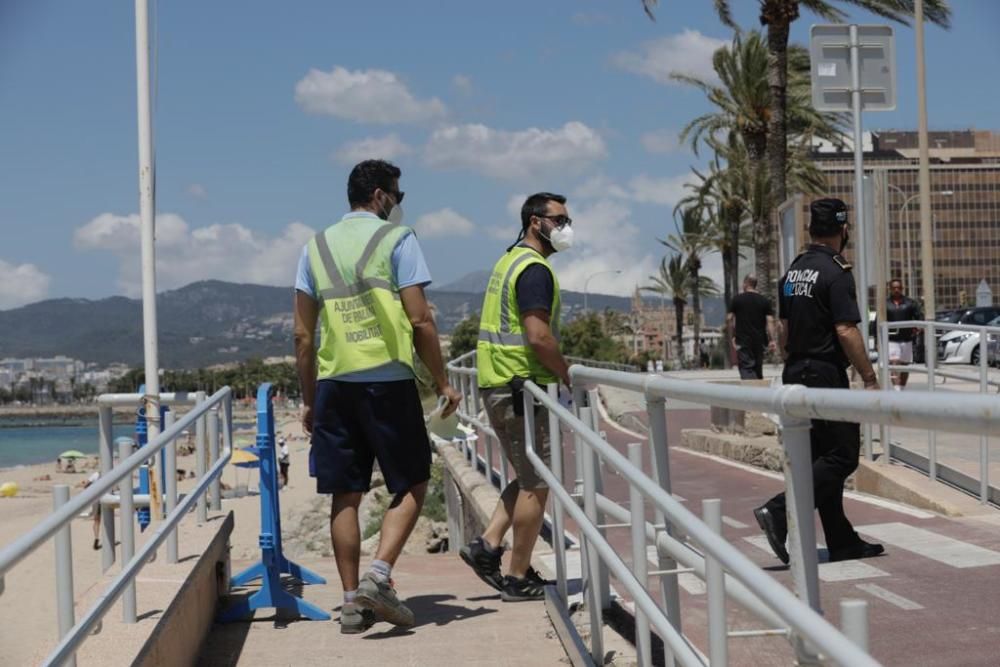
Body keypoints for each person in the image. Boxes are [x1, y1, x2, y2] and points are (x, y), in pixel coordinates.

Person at [293, 159, 461, 634]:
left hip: (333, 384)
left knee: (343, 494)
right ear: (381, 196)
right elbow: (421, 319)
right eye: (398, 197)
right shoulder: (398, 240)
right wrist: (443, 382)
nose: (399, 206)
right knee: (412, 481)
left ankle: (350, 604)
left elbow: (303, 335)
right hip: (387, 381)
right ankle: (380, 577)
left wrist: (309, 398)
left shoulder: (314, 247)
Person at [753, 198, 885, 564]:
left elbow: (784, 330)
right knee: (843, 456)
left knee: (822, 459)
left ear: (813, 230)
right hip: (825, 373)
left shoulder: (794, 271)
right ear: (843, 231)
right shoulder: (835, 272)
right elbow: (845, 328)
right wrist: (870, 378)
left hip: (798, 370)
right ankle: (778, 511)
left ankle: (841, 540)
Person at [459, 192, 573, 602]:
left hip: (500, 383)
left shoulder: (508, 260)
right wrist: (567, 374)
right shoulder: (534, 269)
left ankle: (487, 546)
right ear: (534, 222)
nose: (566, 227)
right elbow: (539, 336)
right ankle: (518, 575)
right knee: (537, 484)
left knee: (527, 476)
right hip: (522, 386)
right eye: (559, 220)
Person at [726, 274, 776, 379]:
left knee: (746, 369)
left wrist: (731, 337)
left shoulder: (737, 299)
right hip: (760, 341)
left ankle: (751, 392)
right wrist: (772, 340)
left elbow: (729, 319)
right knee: (758, 368)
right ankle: (758, 392)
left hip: (743, 340)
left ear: (745, 284)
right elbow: (770, 321)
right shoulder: (764, 301)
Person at [885, 279, 923, 390]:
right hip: (891, 339)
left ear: (902, 289)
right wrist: (877, 341)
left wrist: (918, 328)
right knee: (894, 363)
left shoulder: (910, 303)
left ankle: (902, 388)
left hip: (907, 339)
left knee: (905, 365)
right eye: (894, 288)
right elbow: (878, 322)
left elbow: (919, 317)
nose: (896, 290)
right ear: (890, 289)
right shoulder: (885, 304)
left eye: (899, 288)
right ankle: (897, 390)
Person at [82, 471, 101, 550]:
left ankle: (96, 538)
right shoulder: (110, 473)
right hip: (107, 496)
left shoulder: (96, 474)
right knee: (107, 519)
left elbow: (85, 485)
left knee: (96, 520)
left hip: (97, 498)